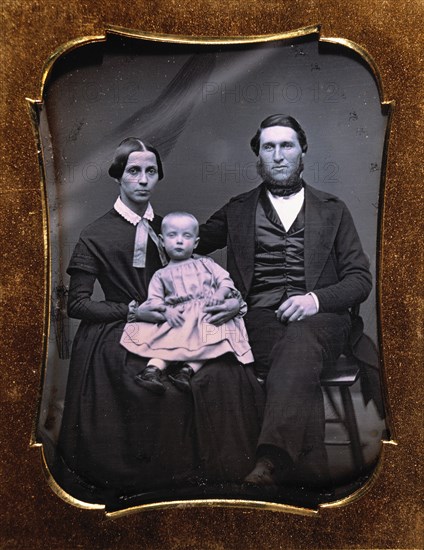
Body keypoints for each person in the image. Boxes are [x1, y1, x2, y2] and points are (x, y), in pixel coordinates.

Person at [54, 137, 263, 503]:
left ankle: (219, 477)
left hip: (176, 323)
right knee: (157, 386)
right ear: (119, 176)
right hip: (117, 330)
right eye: (134, 171)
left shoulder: (173, 231)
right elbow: (78, 304)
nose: (143, 179)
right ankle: (160, 484)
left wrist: (231, 302)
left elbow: (203, 277)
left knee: (226, 373)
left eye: (151, 171)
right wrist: (133, 310)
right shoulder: (95, 234)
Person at [197, 114, 373, 489]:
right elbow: (184, 240)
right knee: (281, 357)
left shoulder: (333, 209)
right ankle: (306, 480)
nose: (278, 155)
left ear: (303, 151)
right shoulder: (238, 209)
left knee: (299, 341)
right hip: (257, 320)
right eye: (269, 147)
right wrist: (140, 213)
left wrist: (315, 299)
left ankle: (271, 461)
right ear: (258, 156)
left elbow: (360, 280)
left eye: (287, 145)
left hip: (323, 322)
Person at [120, 212, 254, 394]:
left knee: (214, 340)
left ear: (196, 243)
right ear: (161, 240)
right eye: (172, 235)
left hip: (206, 315)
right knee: (168, 342)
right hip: (180, 317)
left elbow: (226, 282)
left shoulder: (207, 264)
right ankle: (152, 370)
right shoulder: (161, 274)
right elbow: (155, 300)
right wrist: (167, 312)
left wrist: (220, 294)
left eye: (187, 236)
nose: (180, 241)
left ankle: (187, 370)